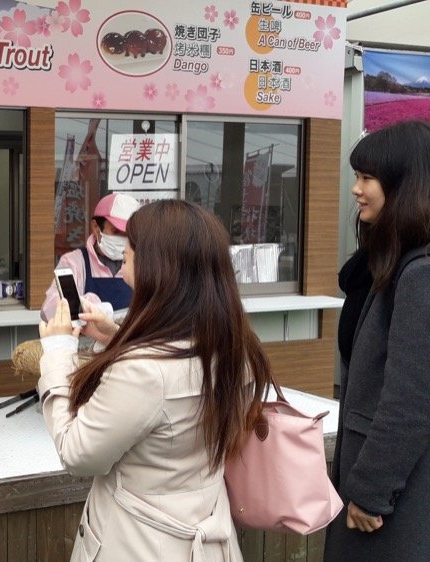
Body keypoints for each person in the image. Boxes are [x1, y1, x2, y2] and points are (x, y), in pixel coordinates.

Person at [38, 200, 269, 561]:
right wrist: (115, 335)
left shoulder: (143, 371)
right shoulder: (235, 347)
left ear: (155, 266)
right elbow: (178, 372)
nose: (124, 257)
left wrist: (56, 353)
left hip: (140, 545)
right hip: (209, 541)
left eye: (130, 248)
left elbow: (78, 454)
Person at [324, 120, 430, 561]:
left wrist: (371, 491)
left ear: (404, 185)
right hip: (371, 475)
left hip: (394, 495)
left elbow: (410, 398)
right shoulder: (381, 261)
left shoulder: (420, 272)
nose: (356, 189)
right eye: (356, 176)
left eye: (367, 178)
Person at [41, 192, 140, 321]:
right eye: (116, 231)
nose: (123, 239)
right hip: (85, 340)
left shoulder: (142, 264)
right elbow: (50, 311)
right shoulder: (74, 262)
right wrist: (82, 305)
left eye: (127, 234)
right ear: (96, 227)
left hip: (130, 340)